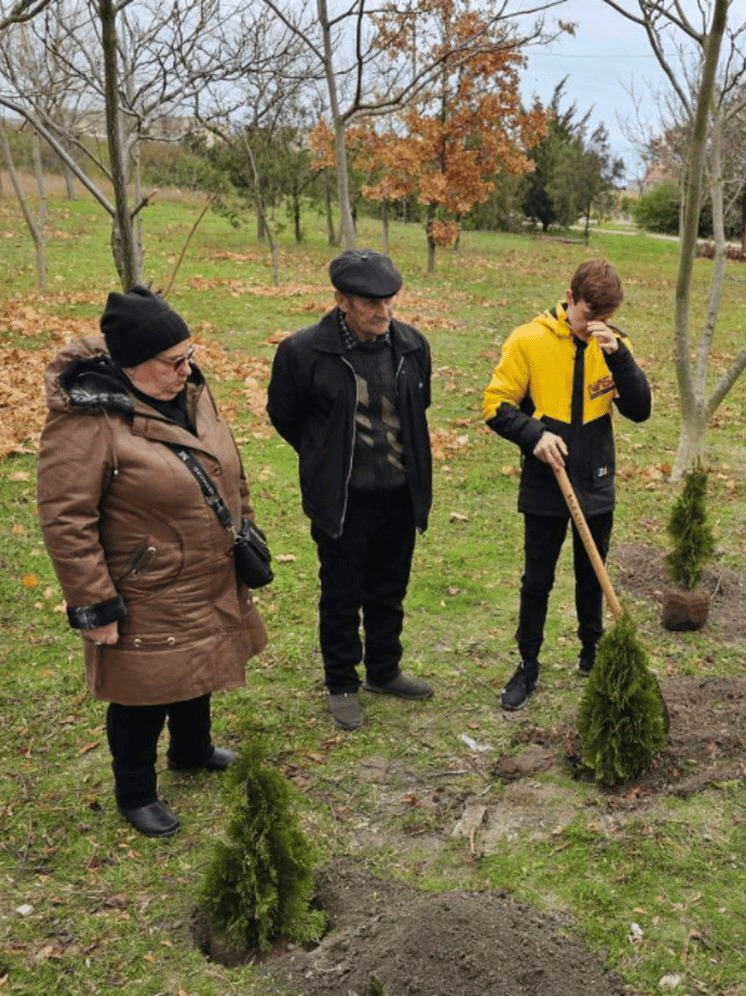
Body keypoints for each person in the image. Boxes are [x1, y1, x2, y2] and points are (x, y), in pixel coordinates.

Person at [37, 287, 267, 837]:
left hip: (205, 564)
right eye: (173, 362)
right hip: (143, 582)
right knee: (144, 690)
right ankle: (135, 791)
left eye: (189, 355)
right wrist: (95, 603)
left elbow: (225, 464)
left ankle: (193, 750)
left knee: (200, 661)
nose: (186, 371)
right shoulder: (87, 422)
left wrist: (245, 522)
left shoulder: (190, 389)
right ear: (131, 365)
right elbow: (65, 518)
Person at [267, 249, 433, 731]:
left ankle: (384, 670)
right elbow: (287, 416)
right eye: (368, 303)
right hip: (343, 500)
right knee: (341, 595)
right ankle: (341, 682)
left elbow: (418, 408)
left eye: (388, 301)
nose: (381, 312)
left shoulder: (412, 346)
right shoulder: (302, 353)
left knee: (389, 589)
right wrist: (325, 455)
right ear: (340, 299)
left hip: (400, 495)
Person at [481, 259, 651, 711]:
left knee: (591, 576)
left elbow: (640, 409)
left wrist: (619, 355)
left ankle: (592, 657)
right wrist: (534, 434)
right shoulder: (529, 339)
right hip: (545, 481)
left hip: (595, 479)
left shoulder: (613, 346)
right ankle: (528, 664)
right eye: (586, 316)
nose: (591, 327)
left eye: (603, 319)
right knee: (537, 580)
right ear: (570, 298)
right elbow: (495, 405)